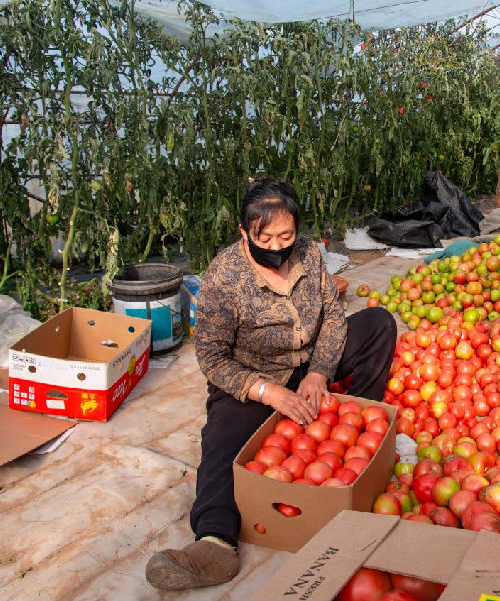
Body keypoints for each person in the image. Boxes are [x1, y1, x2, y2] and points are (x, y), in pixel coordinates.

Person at [145, 177, 397, 590]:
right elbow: (211, 358)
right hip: (255, 376)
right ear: (244, 232)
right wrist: (268, 391)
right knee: (223, 439)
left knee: (378, 323)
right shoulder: (224, 278)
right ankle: (214, 541)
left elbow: (333, 318)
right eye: (266, 236)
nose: (278, 246)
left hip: (311, 360)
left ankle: (360, 422)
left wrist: (319, 371)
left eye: (287, 235)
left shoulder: (309, 255)